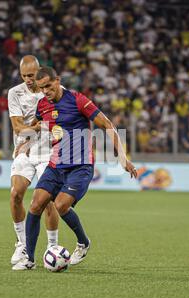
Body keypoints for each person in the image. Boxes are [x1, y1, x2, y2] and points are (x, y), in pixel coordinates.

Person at [12, 66, 137, 270]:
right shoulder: (43, 105)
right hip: (56, 165)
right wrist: (26, 142)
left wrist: (122, 158)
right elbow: (37, 124)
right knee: (35, 205)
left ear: (58, 80)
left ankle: (83, 242)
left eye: (49, 86)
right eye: (41, 88)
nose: (45, 92)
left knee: (61, 205)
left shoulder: (77, 99)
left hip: (80, 166)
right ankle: (30, 260)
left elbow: (107, 124)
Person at [8, 56, 60, 267]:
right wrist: (37, 128)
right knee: (16, 194)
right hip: (24, 150)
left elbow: (60, 117)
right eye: (24, 76)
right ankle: (22, 244)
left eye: (31, 75)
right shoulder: (15, 93)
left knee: (47, 200)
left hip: (48, 152)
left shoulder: (52, 88)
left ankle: (52, 247)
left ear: (40, 71)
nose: (28, 79)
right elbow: (18, 127)